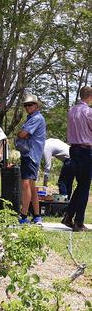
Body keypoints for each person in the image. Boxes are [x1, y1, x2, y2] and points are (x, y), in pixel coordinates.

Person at [62, 86, 92, 232]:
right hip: (86, 151)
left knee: (80, 185)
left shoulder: (72, 110)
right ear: (90, 96)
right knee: (84, 187)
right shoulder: (88, 112)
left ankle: (68, 216)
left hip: (73, 149)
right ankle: (78, 223)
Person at [16, 94, 47, 224]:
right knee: (32, 187)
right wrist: (22, 133)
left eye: (30, 104)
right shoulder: (31, 118)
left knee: (26, 185)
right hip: (30, 155)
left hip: (30, 155)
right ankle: (36, 215)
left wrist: (20, 133)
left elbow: (22, 133)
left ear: (36, 105)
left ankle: (23, 216)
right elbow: (23, 134)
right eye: (26, 105)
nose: (28, 107)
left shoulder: (36, 118)